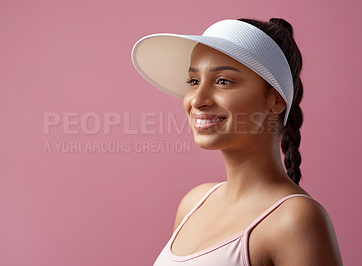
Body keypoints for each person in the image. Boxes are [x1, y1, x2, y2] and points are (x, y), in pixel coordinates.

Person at [131, 18, 343, 266]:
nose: (197, 100)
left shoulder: (295, 220)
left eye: (223, 81)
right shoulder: (194, 203)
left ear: (276, 98)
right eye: (194, 81)